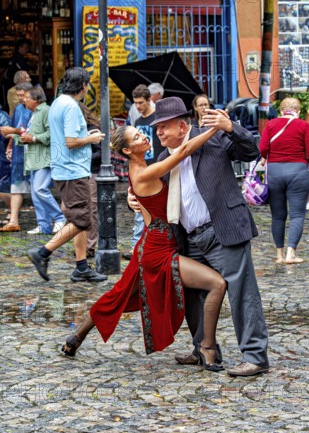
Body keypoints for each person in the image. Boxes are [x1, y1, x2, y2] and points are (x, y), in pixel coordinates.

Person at [61, 122, 227, 372]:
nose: (144, 138)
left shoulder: (141, 168)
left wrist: (133, 198)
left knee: (117, 296)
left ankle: (75, 339)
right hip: (157, 251)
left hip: (151, 245)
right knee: (217, 283)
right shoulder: (141, 173)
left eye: (140, 134)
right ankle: (207, 347)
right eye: (137, 138)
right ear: (128, 151)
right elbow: (182, 153)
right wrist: (215, 129)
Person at [129, 97, 269, 377]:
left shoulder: (214, 139)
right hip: (189, 236)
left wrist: (231, 127)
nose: (159, 134)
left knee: (242, 292)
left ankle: (255, 356)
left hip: (223, 228)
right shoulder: (163, 159)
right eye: (157, 129)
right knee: (192, 295)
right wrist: (135, 201)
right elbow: (153, 195)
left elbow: (252, 150)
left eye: (164, 128)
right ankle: (204, 348)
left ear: (183, 126)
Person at [27, 67, 107, 283]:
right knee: (82, 221)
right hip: (74, 170)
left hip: (64, 169)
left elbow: (68, 136)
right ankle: (42, 253)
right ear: (83, 86)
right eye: (88, 83)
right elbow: (70, 142)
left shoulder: (57, 103)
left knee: (77, 218)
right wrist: (91, 139)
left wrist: (86, 135)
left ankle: (81, 267)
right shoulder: (71, 107)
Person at [259, 97, 309, 265]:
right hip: (298, 172)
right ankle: (291, 253)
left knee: (277, 216)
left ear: (281, 111)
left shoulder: (271, 125)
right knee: (297, 215)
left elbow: (263, 148)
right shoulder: (303, 125)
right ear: (298, 111)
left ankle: (279, 255)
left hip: (274, 172)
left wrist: (266, 158)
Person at [124, 84, 164, 260]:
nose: (137, 107)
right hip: (141, 169)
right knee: (139, 211)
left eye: (140, 103)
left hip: (156, 168)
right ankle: (136, 248)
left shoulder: (157, 118)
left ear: (150, 100)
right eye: (135, 103)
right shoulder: (138, 122)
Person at [19, 87, 66, 235]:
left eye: (26, 97)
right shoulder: (33, 114)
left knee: (40, 189)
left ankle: (59, 217)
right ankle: (44, 225)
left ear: (36, 99)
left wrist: (32, 138)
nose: (24, 100)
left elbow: (52, 133)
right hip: (33, 158)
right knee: (35, 193)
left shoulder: (46, 111)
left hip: (43, 158)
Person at [0, 81, 33, 232]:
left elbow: (31, 132)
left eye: (22, 95)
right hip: (19, 153)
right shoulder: (18, 109)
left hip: (33, 152)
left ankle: (55, 218)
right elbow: (14, 132)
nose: (20, 98)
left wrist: (11, 130)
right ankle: (13, 220)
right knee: (16, 186)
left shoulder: (36, 110)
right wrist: (9, 147)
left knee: (39, 189)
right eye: (18, 95)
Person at [78, 103, 101, 258]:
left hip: (92, 171)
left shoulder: (92, 129)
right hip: (80, 172)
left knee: (92, 208)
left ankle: (90, 245)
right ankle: (83, 244)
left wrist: (82, 157)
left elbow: (100, 153)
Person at [0, 103, 11, 215]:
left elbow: (9, 135)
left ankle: (12, 211)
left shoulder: (2, 116)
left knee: (2, 187)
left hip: (2, 155)